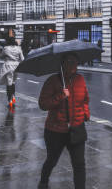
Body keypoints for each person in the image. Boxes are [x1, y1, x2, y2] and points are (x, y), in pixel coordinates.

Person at [38, 54, 89, 189]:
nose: (73, 65)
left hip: (76, 128)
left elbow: (85, 100)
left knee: (79, 164)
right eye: (69, 62)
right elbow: (43, 104)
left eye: (75, 62)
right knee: (52, 160)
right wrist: (61, 96)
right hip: (55, 130)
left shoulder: (80, 79)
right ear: (62, 64)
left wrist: (85, 114)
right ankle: (43, 182)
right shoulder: (53, 80)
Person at [0, 37, 24, 108]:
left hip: (8, 65)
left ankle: (9, 100)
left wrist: (2, 54)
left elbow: (1, 56)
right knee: (13, 82)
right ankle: (13, 96)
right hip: (16, 66)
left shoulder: (6, 48)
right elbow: (22, 59)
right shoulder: (19, 48)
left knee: (8, 83)